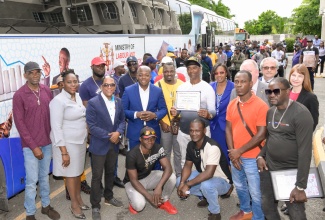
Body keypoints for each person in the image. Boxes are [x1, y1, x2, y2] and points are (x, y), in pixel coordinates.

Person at [258, 77, 314, 220]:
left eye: (276, 91)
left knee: (296, 213)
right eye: (268, 92)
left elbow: (305, 152)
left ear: (288, 91)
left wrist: (300, 186)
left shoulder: (301, 114)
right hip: (269, 169)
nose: (272, 95)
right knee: (267, 206)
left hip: (290, 172)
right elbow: (270, 137)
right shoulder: (270, 112)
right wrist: (260, 155)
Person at [12, 62, 60, 220]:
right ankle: (30, 213)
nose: (35, 75)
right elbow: (20, 124)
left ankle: (46, 206)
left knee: (44, 177)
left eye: (37, 72)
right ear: (25, 75)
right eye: (31, 72)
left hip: (47, 143)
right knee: (32, 181)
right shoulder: (19, 95)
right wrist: (34, 147)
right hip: (30, 147)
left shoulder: (46, 90)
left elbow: (52, 116)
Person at [226, 70, 268, 220]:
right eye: (236, 81)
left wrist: (239, 152)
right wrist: (233, 152)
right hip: (236, 156)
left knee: (256, 192)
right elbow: (228, 129)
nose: (239, 85)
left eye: (243, 81)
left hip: (253, 157)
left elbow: (261, 134)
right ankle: (246, 211)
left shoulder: (261, 105)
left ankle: (258, 216)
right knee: (240, 187)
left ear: (251, 84)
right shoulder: (232, 104)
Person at [79, 57, 125, 189]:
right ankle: (98, 189)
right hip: (98, 132)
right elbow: (87, 110)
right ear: (92, 67)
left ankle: (113, 180)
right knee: (97, 170)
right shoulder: (86, 85)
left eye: (102, 65)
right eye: (97, 65)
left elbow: (117, 107)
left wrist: (117, 132)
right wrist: (91, 132)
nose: (100, 68)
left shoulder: (111, 81)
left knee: (112, 165)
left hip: (114, 131)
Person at [49, 69, 89, 219]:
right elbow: (56, 127)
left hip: (80, 143)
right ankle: (74, 205)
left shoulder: (78, 97)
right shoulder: (58, 101)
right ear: (62, 84)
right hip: (67, 145)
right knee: (71, 175)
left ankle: (78, 199)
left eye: (75, 81)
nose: (73, 84)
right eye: (69, 82)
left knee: (78, 173)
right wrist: (64, 152)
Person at [86, 76, 126, 220]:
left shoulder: (119, 101)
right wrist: (110, 135)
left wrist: (118, 132)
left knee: (110, 173)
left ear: (115, 87)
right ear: (102, 87)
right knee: (96, 177)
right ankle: (95, 205)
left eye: (112, 85)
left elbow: (122, 120)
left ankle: (109, 196)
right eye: (106, 85)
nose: (109, 87)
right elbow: (91, 126)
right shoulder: (93, 103)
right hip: (99, 145)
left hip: (113, 145)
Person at [176, 119, 233, 220]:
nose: (194, 134)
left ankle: (215, 212)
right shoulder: (191, 145)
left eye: (197, 130)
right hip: (204, 173)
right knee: (178, 181)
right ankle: (208, 196)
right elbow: (187, 166)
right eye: (191, 130)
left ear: (204, 131)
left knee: (206, 185)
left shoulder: (212, 146)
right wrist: (182, 184)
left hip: (222, 179)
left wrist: (188, 185)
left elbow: (209, 174)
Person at [170, 56, 216, 167]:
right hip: (184, 132)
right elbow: (178, 109)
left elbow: (213, 111)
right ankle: (186, 182)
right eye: (189, 68)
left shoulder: (207, 88)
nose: (191, 71)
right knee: (185, 160)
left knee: (203, 159)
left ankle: (202, 183)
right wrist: (175, 112)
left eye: (194, 68)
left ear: (200, 69)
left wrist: (208, 114)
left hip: (202, 132)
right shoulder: (181, 87)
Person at [123, 126, 178, 215]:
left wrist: (159, 187)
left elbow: (168, 168)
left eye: (152, 138)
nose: (150, 141)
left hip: (148, 176)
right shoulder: (132, 154)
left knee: (171, 177)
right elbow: (133, 180)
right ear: (140, 139)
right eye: (146, 139)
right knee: (139, 206)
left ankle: (164, 201)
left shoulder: (158, 147)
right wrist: (150, 197)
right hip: (132, 182)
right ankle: (132, 202)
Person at [122, 66, 167, 150]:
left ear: (150, 76)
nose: (143, 77)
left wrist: (154, 115)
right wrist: (136, 114)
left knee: (153, 159)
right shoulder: (128, 90)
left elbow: (164, 109)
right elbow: (123, 111)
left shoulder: (158, 91)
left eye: (146, 75)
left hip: (153, 133)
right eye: (141, 75)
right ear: (137, 76)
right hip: (135, 134)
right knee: (134, 160)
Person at [155, 62, 183, 177]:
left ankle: (179, 176)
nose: (169, 74)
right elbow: (154, 107)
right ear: (162, 73)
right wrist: (161, 122)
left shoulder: (182, 85)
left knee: (178, 152)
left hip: (179, 124)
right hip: (165, 125)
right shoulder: (157, 85)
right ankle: (167, 176)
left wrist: (181, 121)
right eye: (166, 71)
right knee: (165, 152)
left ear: (175, 71)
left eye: (171, 71)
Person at [209, 64, 234, 163]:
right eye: (216, 73)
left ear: (226, 73)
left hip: (228, 126)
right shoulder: (210, 87)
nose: (219, 75)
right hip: (213, 126)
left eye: (222, 72)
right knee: (214, 153)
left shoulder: (233, 87)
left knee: (227, 154)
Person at [288, 64, 319, 130]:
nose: (296, 79)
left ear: (305, 78)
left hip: (300, 136)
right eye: (293, 75)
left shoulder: (311, 97)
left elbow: (314, 121)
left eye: (300, 76)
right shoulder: (284, 93)